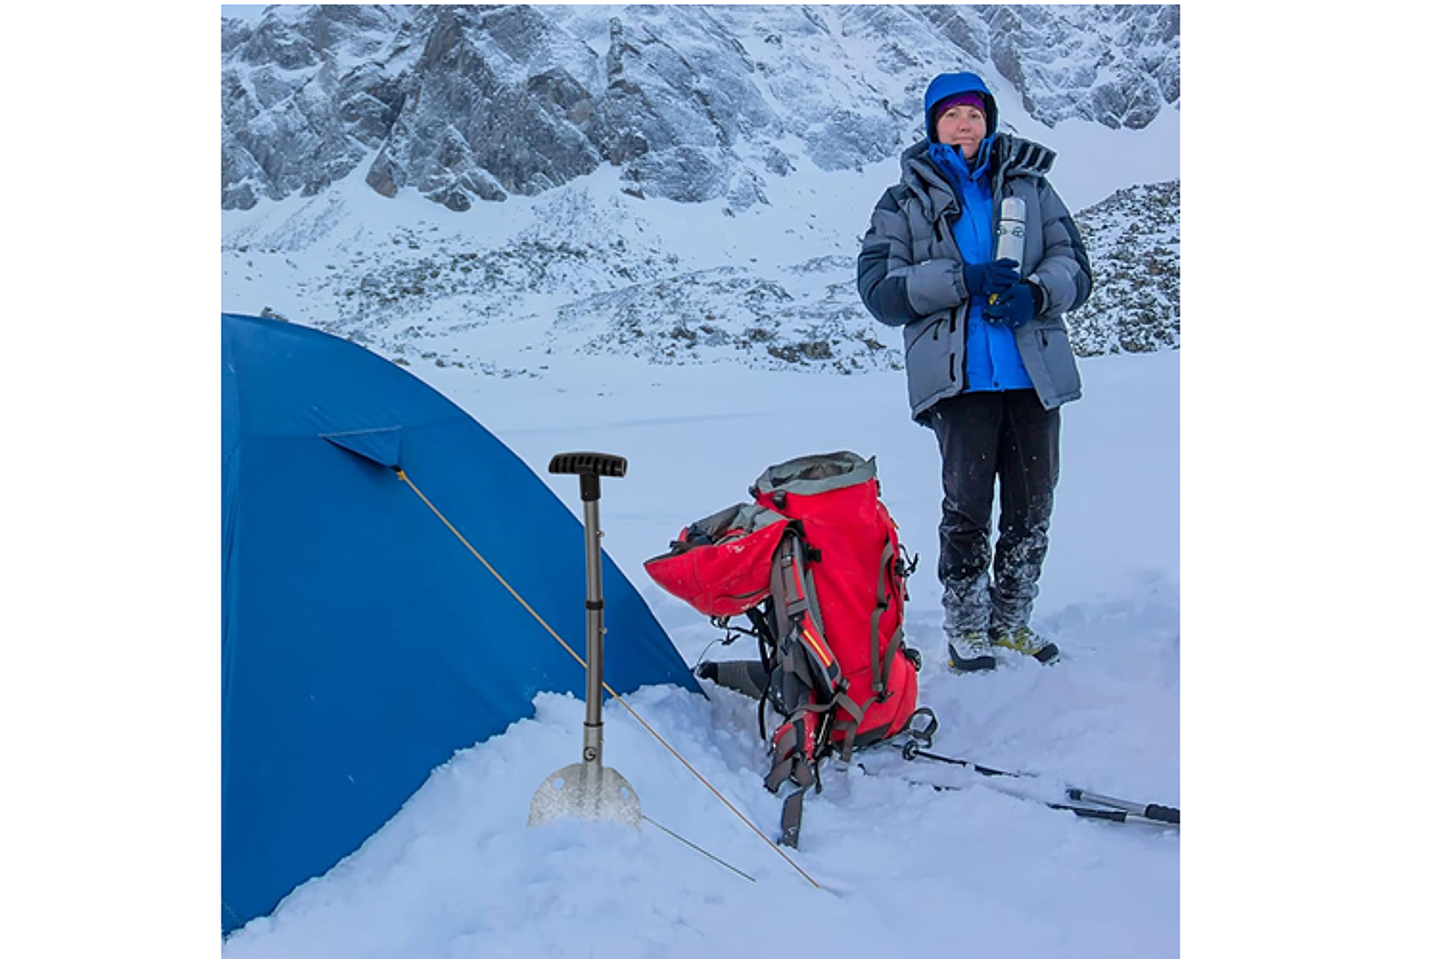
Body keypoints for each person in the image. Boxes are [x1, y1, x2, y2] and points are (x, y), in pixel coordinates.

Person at [856, 71, 1092, 673]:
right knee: (967, 508)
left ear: (989, 121)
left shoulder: (1031, 187)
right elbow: (880, 289)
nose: (965, 125)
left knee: (1032, 506)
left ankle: (1010, 620)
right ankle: (966, 625)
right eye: (952, 115)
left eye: (975, 115)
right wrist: (963, 280)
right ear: (933, 126)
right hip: (959, 382)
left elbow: (1073, 263)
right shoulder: (903, 202)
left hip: (1032, 375)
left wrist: (1036, 294)